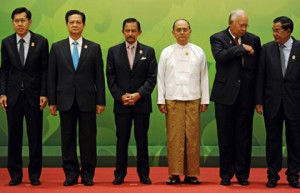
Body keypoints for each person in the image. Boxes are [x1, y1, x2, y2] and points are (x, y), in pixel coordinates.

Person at [48, 10, 105, 186]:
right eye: (71, 22)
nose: (74, 25)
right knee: (68, 139)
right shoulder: (57, 47)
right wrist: (52, 101)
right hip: (64, 100)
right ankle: (71, 174)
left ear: (84, 25)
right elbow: (52, 76)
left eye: (78, 22)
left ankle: (88, 174)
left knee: (88, 138)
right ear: (67, 25)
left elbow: (99, 77)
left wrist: (100, 100)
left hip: (87, 100)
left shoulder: (94, 47)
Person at [210, 9, 261, 186]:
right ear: (231, 23)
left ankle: (242, 174)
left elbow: (257, 71)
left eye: (246, 25)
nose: (244, 28)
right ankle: (226, 174)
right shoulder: (218, 38)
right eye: (241, 25)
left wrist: (257, 98)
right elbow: (220, 56)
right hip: (225, 96)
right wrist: (240, 48)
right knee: (225, 137)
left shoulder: (254, 39)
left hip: (246, 96)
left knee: (244, 137)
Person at [157, 19, 209, 185]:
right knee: (174, 138)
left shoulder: (198, 52)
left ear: (190, 31)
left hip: (193, 99)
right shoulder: (166, 52)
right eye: (178, 30)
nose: (181, 32)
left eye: (184, 29)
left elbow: (204, 77)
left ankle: (192, 173)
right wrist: (161, 99)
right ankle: (174, 173)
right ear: (173, 33)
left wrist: (205, 99)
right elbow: (161, 78)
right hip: (172, 99)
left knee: (192, 137)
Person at [0, 7, 48, 186]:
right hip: (12, 97)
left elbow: (45, 70)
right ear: (12, 22)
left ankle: (34, 175)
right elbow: (4, 69)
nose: (19, 24)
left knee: (35, 137)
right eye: (16, 21)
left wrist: (44, 93)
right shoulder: (6, 42)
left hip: (34, 96)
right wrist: (2, 92)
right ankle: (15, 175)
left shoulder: (41, 42)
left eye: (23, 20)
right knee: (14, 137)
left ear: (30, 22)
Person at [106, 18, 157, 185]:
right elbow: (111, 77)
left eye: (133, 30)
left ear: (139, 32)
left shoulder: (148, 52)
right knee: (122, 140)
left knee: (142, 140)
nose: (130, 34)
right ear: (122, 32)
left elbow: (151, 78)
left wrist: (138, 94)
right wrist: (121, 96)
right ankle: (119, 174)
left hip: (141, 104)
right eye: (127, 30)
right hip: (121, 105)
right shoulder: (113, 51)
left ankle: (144, 174)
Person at [255, 16, 300, 189]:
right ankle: (272, 175)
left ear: (288, 31)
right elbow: (260, 76)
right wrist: (258, 100)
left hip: (294, 103)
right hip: (272, 102)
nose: (274, 33)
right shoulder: (267, 49)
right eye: (273, 30)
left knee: (295, 142)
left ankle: (293, 175)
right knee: (272, 140)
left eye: (277, 30)